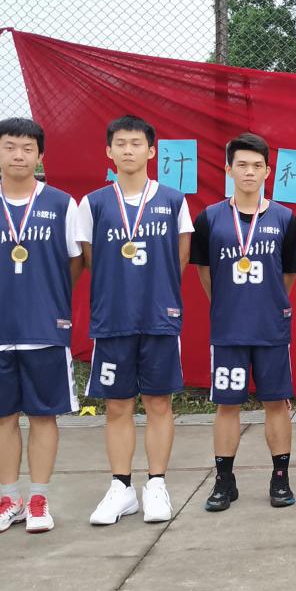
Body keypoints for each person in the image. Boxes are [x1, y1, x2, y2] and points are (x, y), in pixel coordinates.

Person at [0, 117, 82, 534]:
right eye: (10, 147)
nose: (19, 155)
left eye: (28, 148)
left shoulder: (62, 204)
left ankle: (39, 499)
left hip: (45, 328)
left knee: (44, 416)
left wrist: (46, 297)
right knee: (2, 417)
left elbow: (74, 263)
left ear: (40, 156)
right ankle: (10, 498)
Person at [78, 115, 192, 525]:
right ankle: (121, 487)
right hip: (113, 318)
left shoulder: (174, 200)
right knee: (117, 405)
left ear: (151, 150)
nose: (128, 150)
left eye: (136, 143)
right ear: (109, 151)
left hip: (159, 317)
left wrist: (155, 291)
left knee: (159, 402)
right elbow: (90, 259)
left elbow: (180, 255)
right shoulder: (93, 203)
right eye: (121, 143)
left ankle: (156, 483)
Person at [191, 133, 296, 511]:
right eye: (242, 165)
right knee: (227, 405)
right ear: (228, 169)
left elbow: (288, 275)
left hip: (270, 328)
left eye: (257, 166)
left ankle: (280, 478)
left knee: (276, 403)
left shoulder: (285, 218)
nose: (250, 172)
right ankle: (224, 480)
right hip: (229, 329)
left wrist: (267, 303)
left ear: (268, 171)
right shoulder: (209, 218)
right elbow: (205, 274)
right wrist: (229, 305)